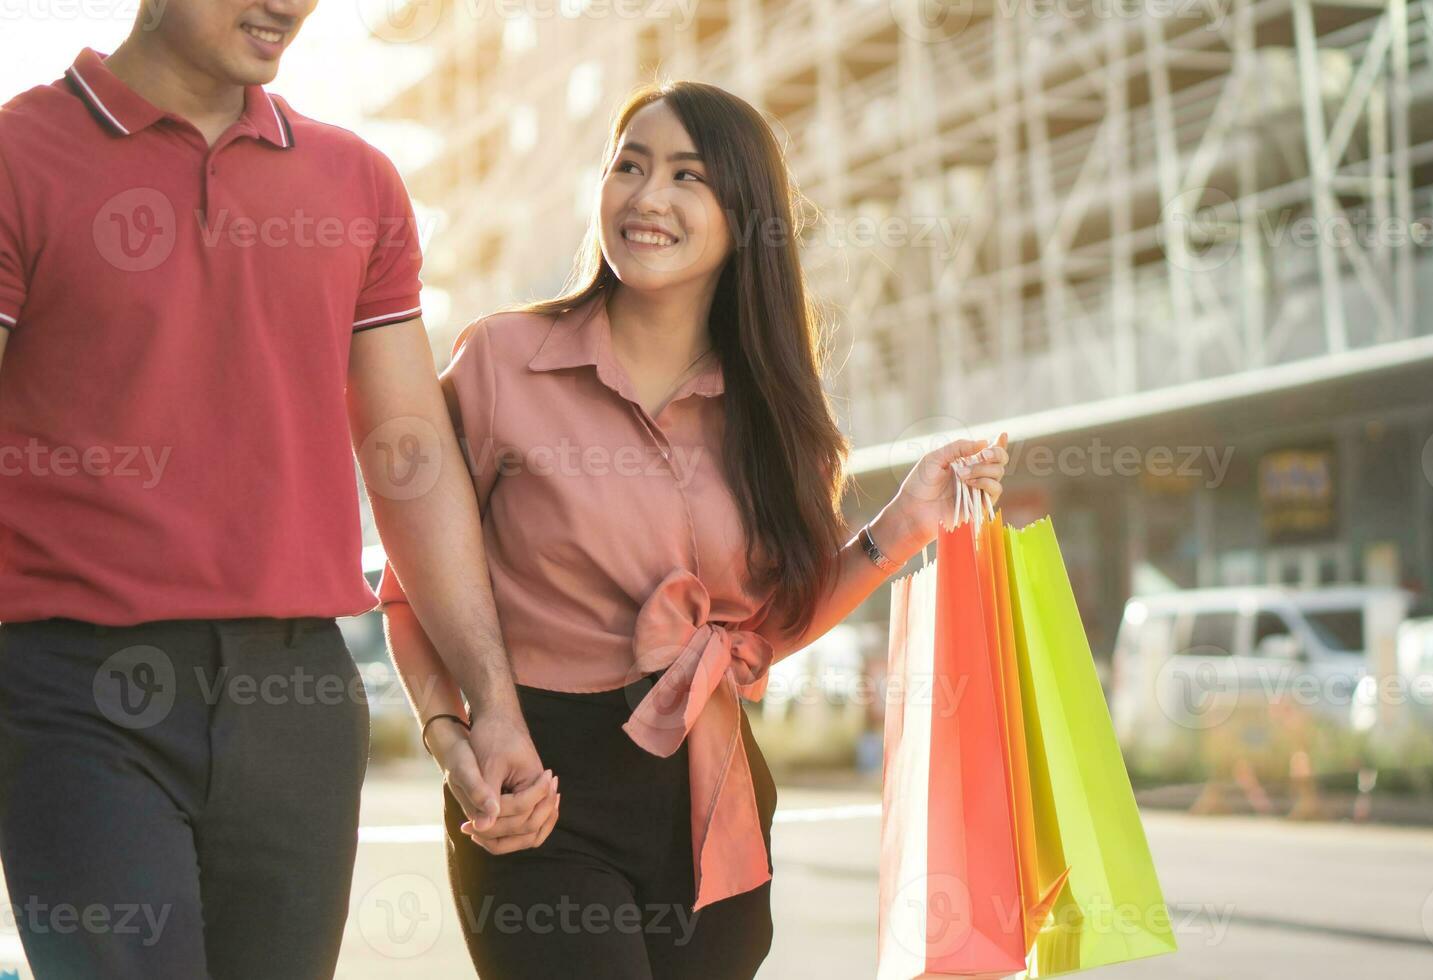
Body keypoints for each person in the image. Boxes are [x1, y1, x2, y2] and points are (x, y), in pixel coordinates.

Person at [378, 80, 1011, 979]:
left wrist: (899, 526)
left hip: (715, 814)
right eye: (628, 165)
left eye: (687, 176)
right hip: (539, 796)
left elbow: (757, 637)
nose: (647, 197)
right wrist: (455, 744)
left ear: (743, 217)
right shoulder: (500, 364)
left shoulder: (769, 416)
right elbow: (411, 586)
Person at [0, 2, 554, 977]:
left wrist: (492, 697)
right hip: (74, 697)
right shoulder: (17, 156)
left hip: (296, 698)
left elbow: (409, 454)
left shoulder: (356, 181)